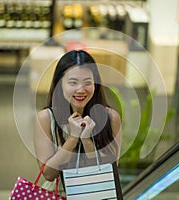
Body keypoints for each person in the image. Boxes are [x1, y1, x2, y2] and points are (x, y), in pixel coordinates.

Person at [33, 49, 122, 195]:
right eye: (73, 82)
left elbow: (109, 172)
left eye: (88, 82)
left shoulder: (111, 118)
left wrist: (87, 141)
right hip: (58, 196)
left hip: (98, 196)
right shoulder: (46, 118)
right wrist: (73, 138)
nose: (81, 90)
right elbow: (48, 174)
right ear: (60, 84)